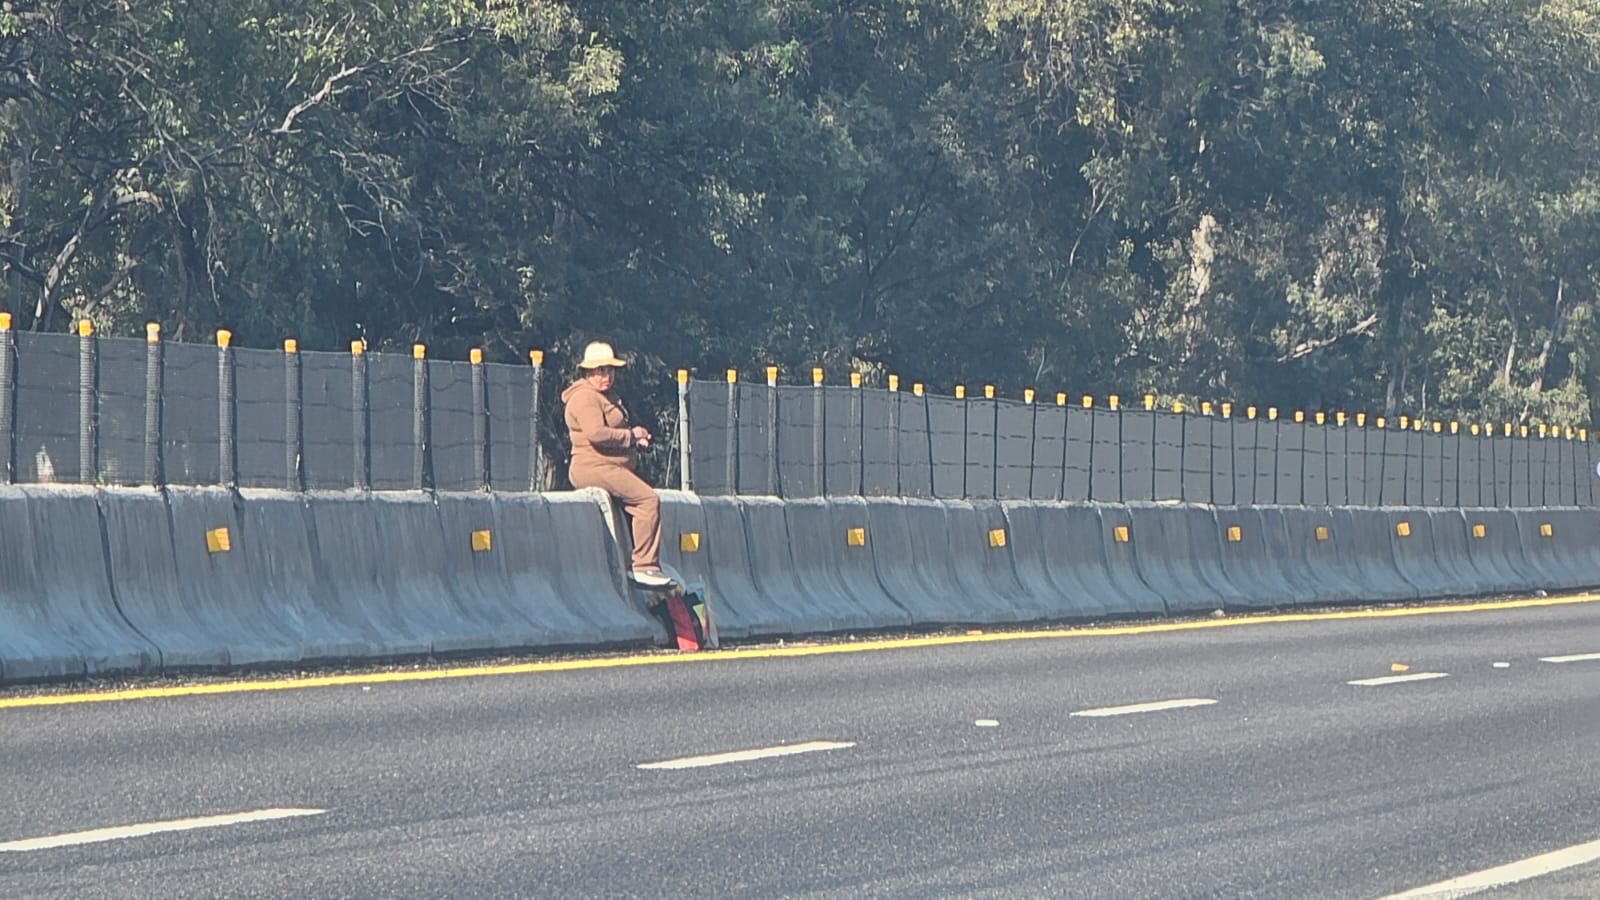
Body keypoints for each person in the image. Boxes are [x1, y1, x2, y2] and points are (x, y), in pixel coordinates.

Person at [561, 340, 671, 587]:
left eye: (609, 370)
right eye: (600, 370)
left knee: (638, 503)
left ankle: (640, 562)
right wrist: (631, 436)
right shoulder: (585, 398)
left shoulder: (606, 396)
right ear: (587, 372)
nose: (606, 376)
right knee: (647, 500)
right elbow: (596, 433)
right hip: (594, 468)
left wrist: (635, 441)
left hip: (609, 467)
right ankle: (644, 566)